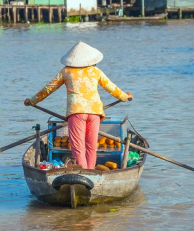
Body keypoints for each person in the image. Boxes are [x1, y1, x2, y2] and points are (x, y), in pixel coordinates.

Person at [24, 41, 132, 170]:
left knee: (78, 147)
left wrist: (32, 101)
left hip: (77, 112)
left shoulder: (66, 71)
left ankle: (83, 173)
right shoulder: (95, 71)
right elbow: (112, 88)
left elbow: (48, 89)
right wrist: (125, 97)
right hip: (95, 111)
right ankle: (91, 173)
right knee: (91, 146)